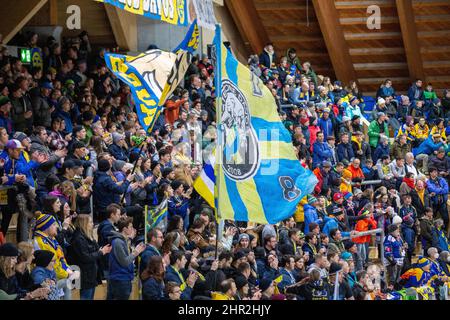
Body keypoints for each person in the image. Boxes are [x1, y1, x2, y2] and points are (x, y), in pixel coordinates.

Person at [70, 214, 111, 300]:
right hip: (84, 275)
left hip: (91, 273)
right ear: (84, 223)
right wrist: (101, 252)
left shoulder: (88, 235)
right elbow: (86, 257)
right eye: (90, 222)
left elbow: (96, 249)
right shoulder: (78, 238)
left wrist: (101, 250)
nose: (92, 224)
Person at [107, 216, 145, 300]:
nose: (133, 229)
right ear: (124, 229)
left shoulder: (123, 241)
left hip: (124, 278)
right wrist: (136, 252)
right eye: (131, 227)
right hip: (120, 280)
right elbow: (124, 262)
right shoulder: (118, 242)